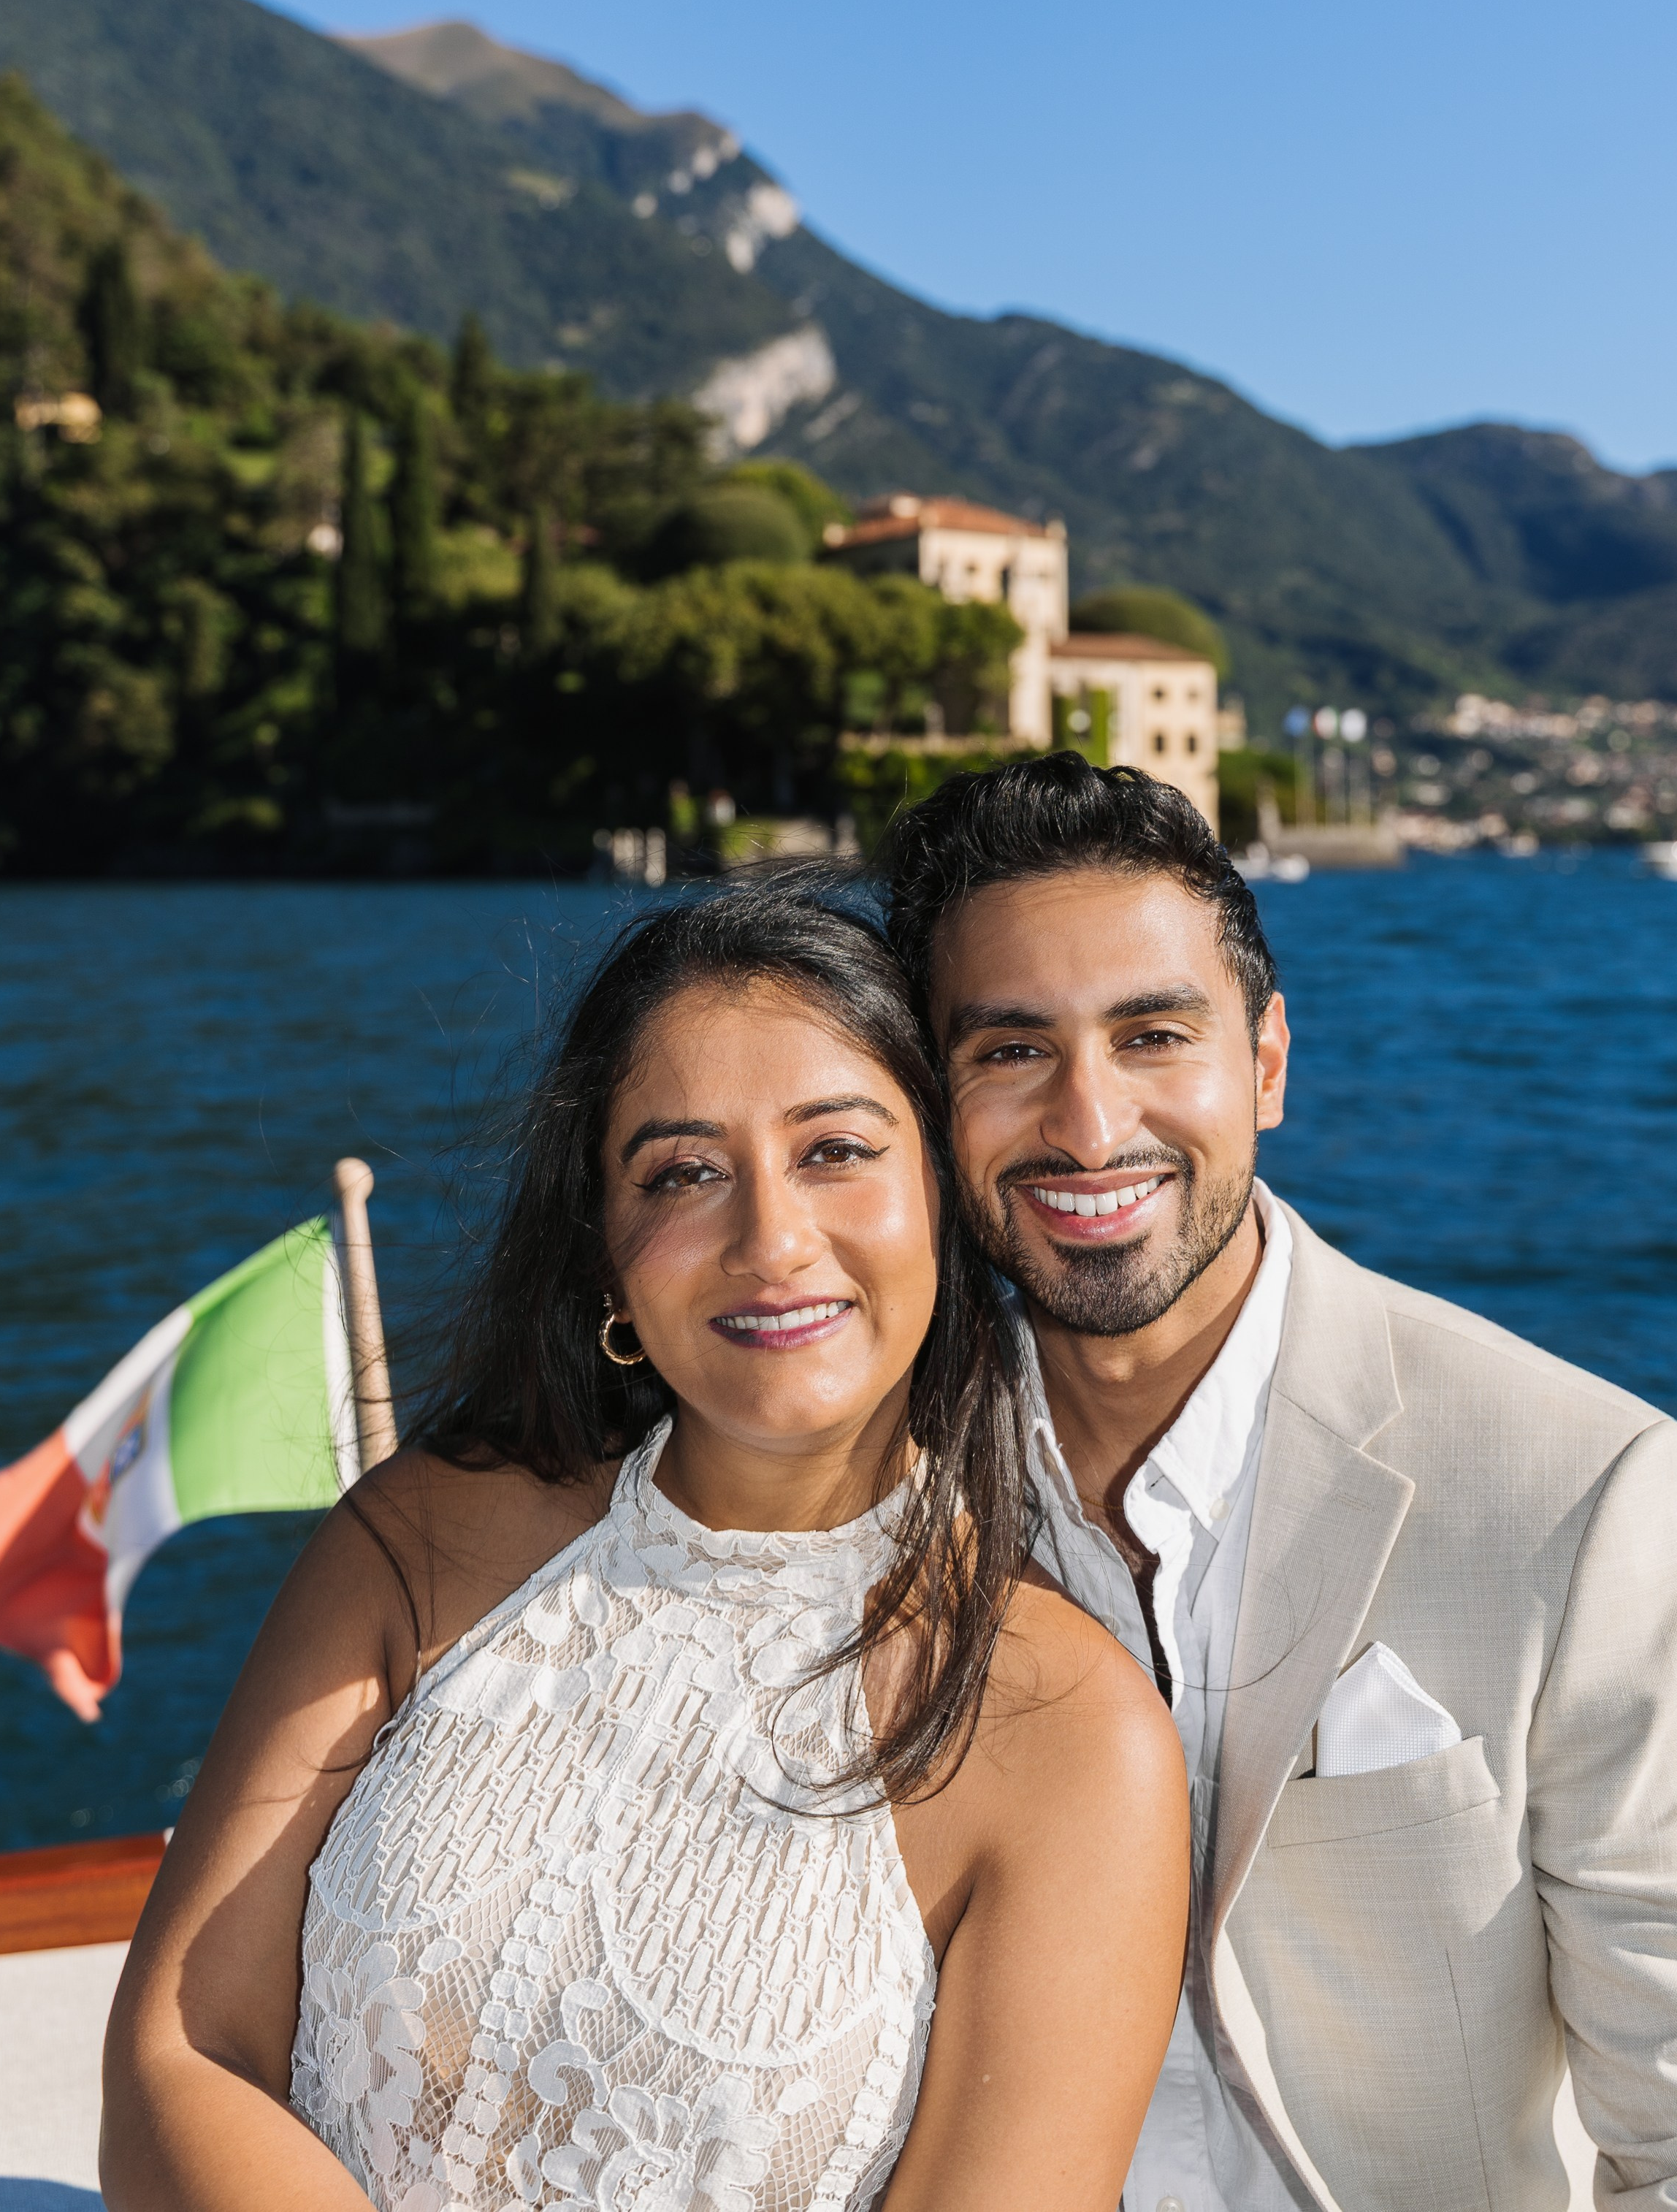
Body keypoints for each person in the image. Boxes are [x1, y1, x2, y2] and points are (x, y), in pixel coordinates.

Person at [101, 885, 1187, 2212]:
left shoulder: (1071, 1734)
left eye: (835, 1150)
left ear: (943, 1205)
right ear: (609, 1260)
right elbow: (182, 2049)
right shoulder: (417, 1542)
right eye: (683, 1172)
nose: (773, 1241)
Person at [879, 753, 1677, 2212]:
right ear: (933, 1105)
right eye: (1006, 1051)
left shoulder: (1574, 1494)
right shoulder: (868, 1496)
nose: (1089, 1124)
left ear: (1268, 1063)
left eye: (1152, 1034)